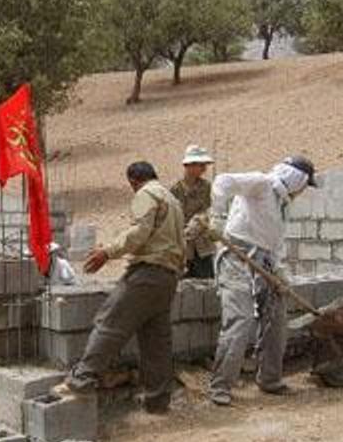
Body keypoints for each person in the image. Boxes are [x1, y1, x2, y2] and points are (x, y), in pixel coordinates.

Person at [53, 162, 185, 414]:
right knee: (156, 340)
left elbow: (140, 231)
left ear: (134, 181)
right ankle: (158, 401)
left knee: (110, 322)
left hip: (148, 273)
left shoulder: (146, 194)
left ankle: (80, 380)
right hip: (168, 277)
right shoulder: (173, 200)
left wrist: (108, 252)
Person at [208, 156, 318, 406]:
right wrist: (217, 216)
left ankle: (270, 379)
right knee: (241, 318)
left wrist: (280, 273)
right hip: (235, 257)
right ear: (295, 178)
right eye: (304, 184)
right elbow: (223, 181)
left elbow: (274, 244)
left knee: (277, 317)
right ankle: (220, 386)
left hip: (264, 263)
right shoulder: (262, 183)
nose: (303, 191)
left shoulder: (283, 204)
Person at [170, 145, 215, 279]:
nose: (204, 169)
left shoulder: (207, 187)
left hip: (203, 246)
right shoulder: (175, 190)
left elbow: (210, 210)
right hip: (183, 246)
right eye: (200, 165)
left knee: (207, 281)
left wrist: (200, 221)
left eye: (204, 165)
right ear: (189, 165)